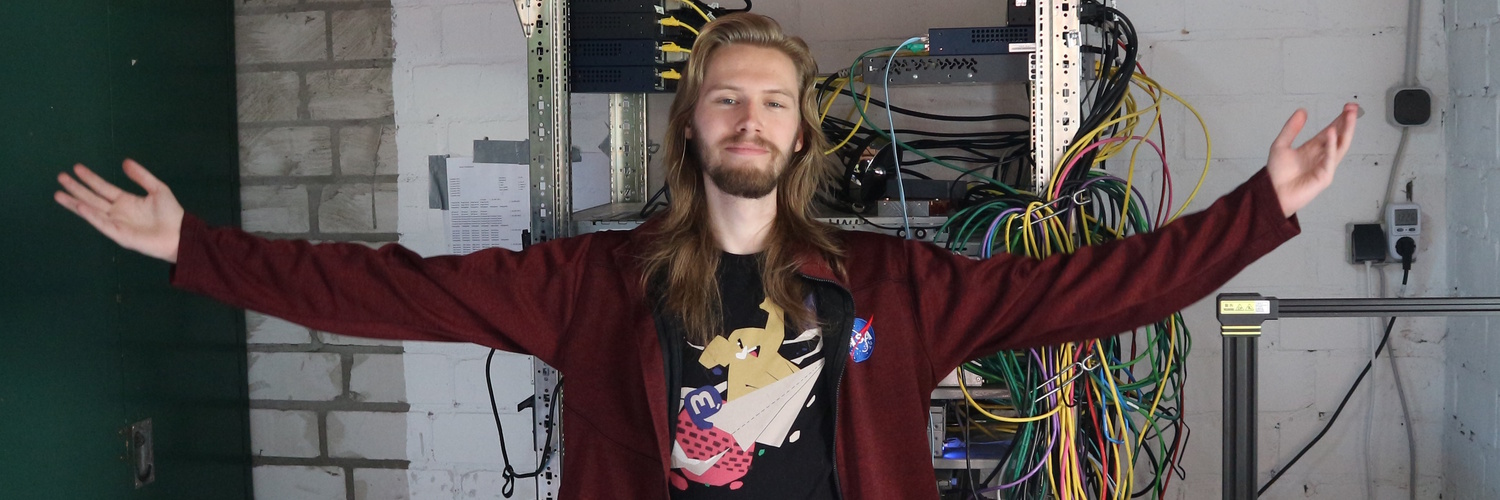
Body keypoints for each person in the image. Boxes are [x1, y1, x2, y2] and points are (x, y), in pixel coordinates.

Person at [55, 13, 1357, 500]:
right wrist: (196, 249)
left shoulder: (893, 288)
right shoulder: (592, 284)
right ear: (693, 125)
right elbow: (392, 291)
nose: (748, 118)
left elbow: (1087, 289)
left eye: (772, 103)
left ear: (798, 134)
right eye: (726, 98)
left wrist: (1261, 210)